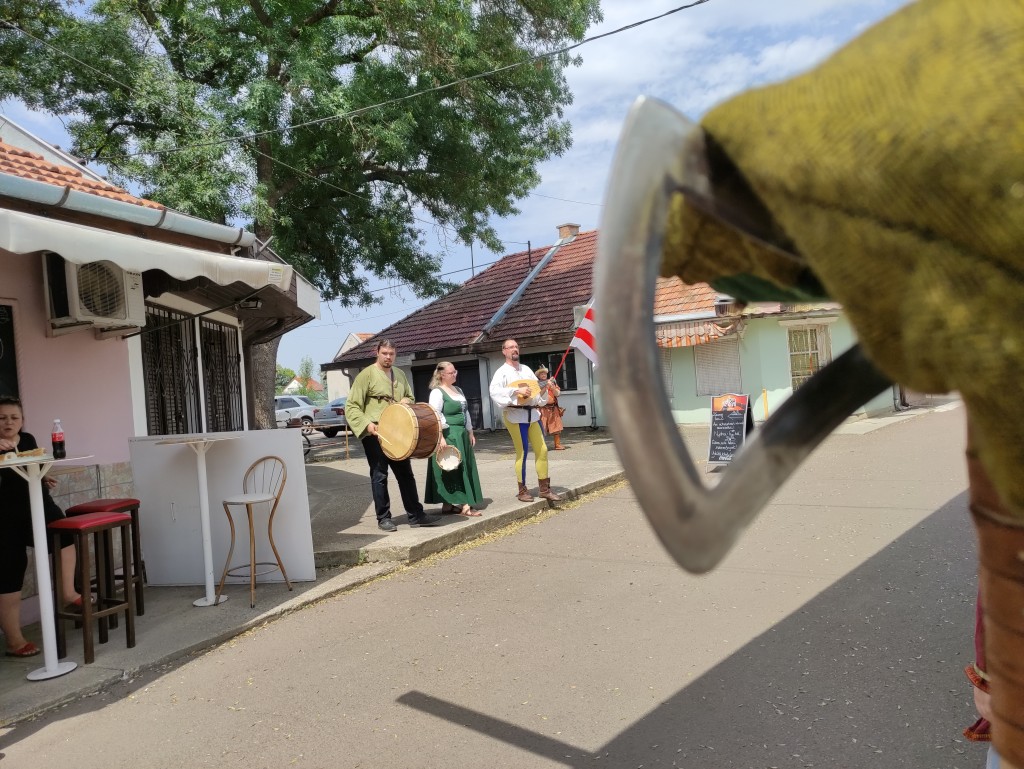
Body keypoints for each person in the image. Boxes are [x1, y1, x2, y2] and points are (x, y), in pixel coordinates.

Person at [0, 395, 85, 658]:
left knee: (63, 533)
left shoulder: (27, 440)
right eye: (2, 418)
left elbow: (32, 465)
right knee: (10, 571)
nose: (8, 422)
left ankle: (68, 592)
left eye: (14, 417)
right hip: (5, 516)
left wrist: (43, 475)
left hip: (37, 505)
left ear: (22, 420)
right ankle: (14, 640)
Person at [344, 340, 441, 533]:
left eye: (391, 354)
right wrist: (367, 425)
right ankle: (384, 518)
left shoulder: (400, 374)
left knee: (406, 474)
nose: (388, 357)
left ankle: (416, 515)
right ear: (377, 352)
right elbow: (352, 405)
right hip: (376, 432)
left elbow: (410, 397)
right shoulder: (366, 375)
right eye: (385, 353)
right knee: (379, 475)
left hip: (398, 432)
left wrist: (406, 400)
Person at [488, 339, 562, 503]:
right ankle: (522, 491)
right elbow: (495, 392)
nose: (514, 349)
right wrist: (516, 390)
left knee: (542, 450)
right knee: (522, 452)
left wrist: (545, 387)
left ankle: (544, 489)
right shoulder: (501, 372)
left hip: (532, 414)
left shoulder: (526, 369)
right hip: (515, 415)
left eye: (516, 346)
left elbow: (535, 394)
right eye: (510, 347)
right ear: (504, 351)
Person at [424, 362, 484, 516]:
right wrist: (440, 437)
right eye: (451, 373)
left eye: (455, 371)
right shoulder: (437, 392)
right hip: (449, 434)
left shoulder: (458, 390)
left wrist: (470, 431)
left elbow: (466, 412)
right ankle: (465, 505)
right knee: (453, 467)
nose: (454, 374)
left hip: (461, 434)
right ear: (442, 375)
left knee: (460, 467)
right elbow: (435, 415)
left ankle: (448, 506)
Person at [535, 366, 567, 450]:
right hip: (542, 409)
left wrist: (552, 387)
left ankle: (557, 444)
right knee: (542, 428)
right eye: (541, 374)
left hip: (553, 408)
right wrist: (545, 386)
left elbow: (558, 394)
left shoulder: (552, 382)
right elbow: (538, 395)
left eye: (544, 373)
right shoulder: (537, 384)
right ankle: (541, 446)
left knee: (557, 426)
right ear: (538, 376)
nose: (543, 375)